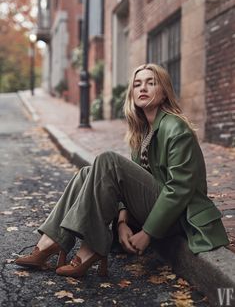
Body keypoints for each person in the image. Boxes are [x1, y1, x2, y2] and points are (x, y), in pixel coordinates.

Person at [15, 63, 229, 278]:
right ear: (132, 93)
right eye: (137, 84)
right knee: (86, 173)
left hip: (181, 217)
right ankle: (52, 241)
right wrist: (122, 222)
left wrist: (147, 233)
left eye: (150, 83)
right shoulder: (143, 129)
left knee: (109, 161)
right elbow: (127, 186)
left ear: (164, 93)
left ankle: (92, 248)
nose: (142, 88)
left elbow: (179, 190)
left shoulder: (176, 128)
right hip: (156, 207)